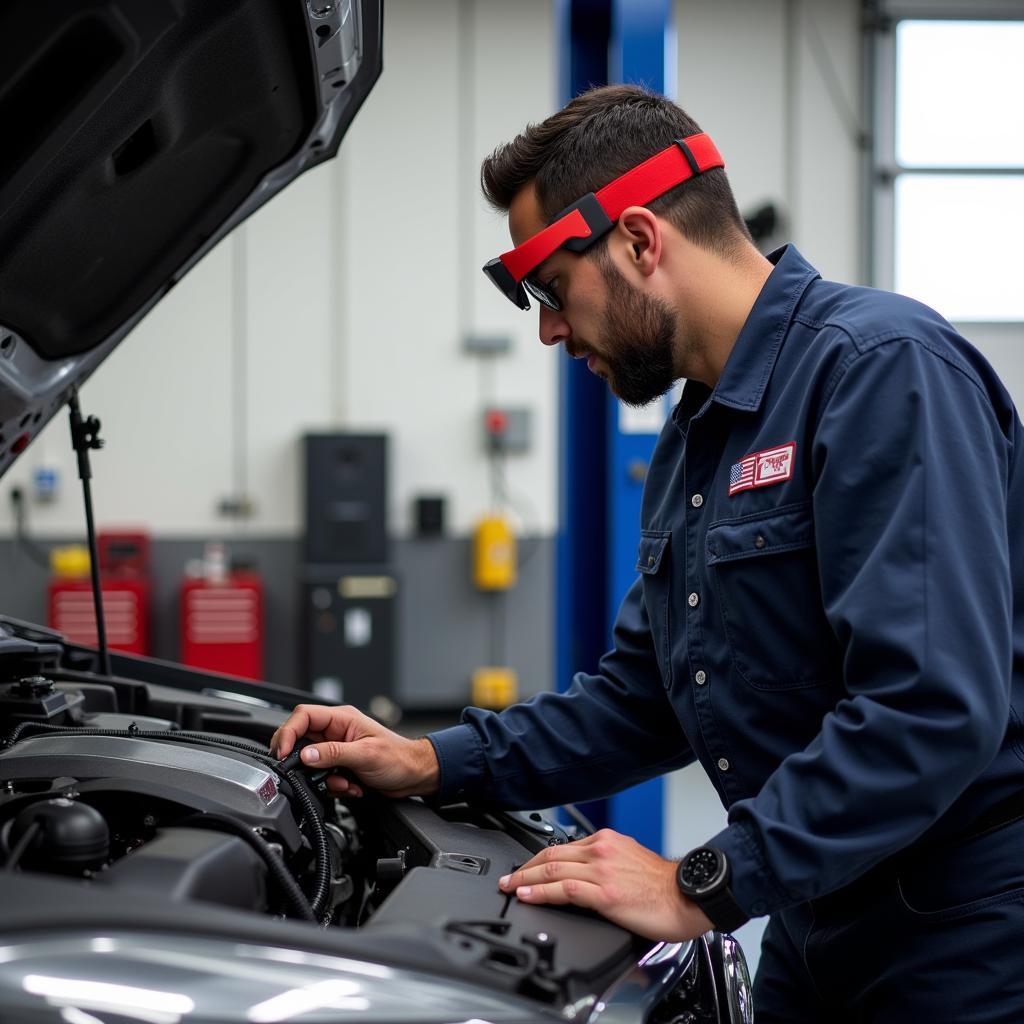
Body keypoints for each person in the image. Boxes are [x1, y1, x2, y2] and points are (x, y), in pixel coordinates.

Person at [272, 85, 1024, 1021]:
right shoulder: (696, 438)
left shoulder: (881, 371)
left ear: (639, 240)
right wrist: (433, 759)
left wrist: (699, 884)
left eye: (551, 292)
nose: (549, 329)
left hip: (964, 934)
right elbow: (647, 699)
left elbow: (931, 708)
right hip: (812, 911)